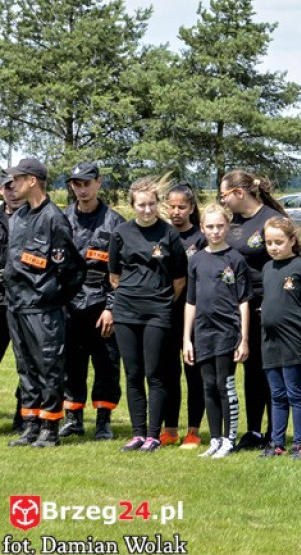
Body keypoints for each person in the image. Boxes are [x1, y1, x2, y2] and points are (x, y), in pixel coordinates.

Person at [4, 158, 86, 447]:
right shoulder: (17, 217)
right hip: (17, 308)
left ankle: (50, 428)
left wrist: (53, 299)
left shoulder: (54, 219)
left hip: (44, 309)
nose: (11, 184)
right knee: (26, 368)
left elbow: (74, 272)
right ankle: (30, 425)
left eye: (17, 179)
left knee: (50, 367)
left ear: (32, 181)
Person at [108, 176, 188, 452]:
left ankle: (154, 435)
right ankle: (138, 433)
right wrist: (133, 296)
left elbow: (179, 279)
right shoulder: (121, 233)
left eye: (151, 204)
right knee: (132, 374)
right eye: (141, 205)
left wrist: (162, 301)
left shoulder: (169, 234)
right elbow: (115, 276)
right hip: (126, 312)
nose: (146, 210)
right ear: (133, 205)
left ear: (158, 204)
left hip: (158, 313)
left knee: (155, 373)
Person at [219, 169, 287, 451]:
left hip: (268, 305)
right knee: (251, 372)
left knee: (271, 370)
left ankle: (275, 432)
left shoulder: (271, 219)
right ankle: (254, 431)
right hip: (239, 306)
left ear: (239, 193)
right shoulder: (232, 223)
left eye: (224, 196)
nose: (222, 202)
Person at [60, 162, 125, 441]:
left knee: (106, 364)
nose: (82, 189)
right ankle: (73, 419)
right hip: (68, 305)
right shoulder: (61, 219)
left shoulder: (116, 222)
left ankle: (103, 422)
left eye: (87, 183)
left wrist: (111, 308)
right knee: (70, 364)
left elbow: (122, 272)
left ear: (99, 183)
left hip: (101, 305)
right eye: (76, 184)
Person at [182, 204, 250, 459]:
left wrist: (243, 338)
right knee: (207, 385)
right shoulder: (197, 260)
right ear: (202, 228)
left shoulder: (235, 259)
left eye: (220, 226)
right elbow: (191, 302)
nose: (215, 231)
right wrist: (187, 339)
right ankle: (214, 438)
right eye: (210, 226)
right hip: (202, 332)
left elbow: (243, 301)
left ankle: (229, 439)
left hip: (227, 332)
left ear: (227, 226)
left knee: (225, 385)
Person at [259, 216, 301, 460]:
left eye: (279, 242)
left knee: (294, 393)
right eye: (269, 243)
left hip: (294, 341)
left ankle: (300, 445)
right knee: (276, 395)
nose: (274, 247)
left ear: (292, 241)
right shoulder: (267, 268)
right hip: (270, 342)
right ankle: (277, 443)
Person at [161, 183, 207, 449]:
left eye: (182, 207)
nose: (176, 212)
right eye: (172, 206)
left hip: (194, 315)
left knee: (194, 373)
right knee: (168, 373)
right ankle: (169, 429)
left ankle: (193, 430)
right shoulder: (162, 235)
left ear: (191, 208)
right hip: (166, 313)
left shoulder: (200, 238)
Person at [0, 174, 24, 432]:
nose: (12, 192)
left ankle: (23, 416)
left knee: (26, 363)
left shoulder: (33, 219)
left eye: (15, 187)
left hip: (23, 301)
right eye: (7, 187)